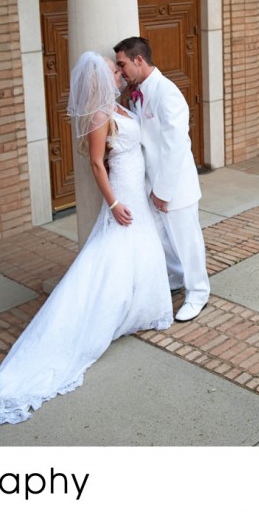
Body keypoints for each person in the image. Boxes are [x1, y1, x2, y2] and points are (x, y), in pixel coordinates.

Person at [0, 51, 173, 427]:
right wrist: (113, 204)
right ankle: (96, 318)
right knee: (112, 253)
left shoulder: (121, 108)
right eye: (114, 70)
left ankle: (136, 310)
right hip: (122, 193)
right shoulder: (99, 115)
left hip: (137, 186)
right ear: (101, 78)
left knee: (139, 250)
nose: (118, 73)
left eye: (118, 67)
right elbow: (97, 162)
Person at [114, 36, 209, 322]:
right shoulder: (140, 92)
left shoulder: (167, 93)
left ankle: (198, 292)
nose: (121, 72)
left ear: (139, 60)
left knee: (186, 240)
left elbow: (174, 146)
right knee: (164, 241)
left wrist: (163, 191)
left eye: (123, 65)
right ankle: (179, 278)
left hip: (174, 186)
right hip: (150, 185)